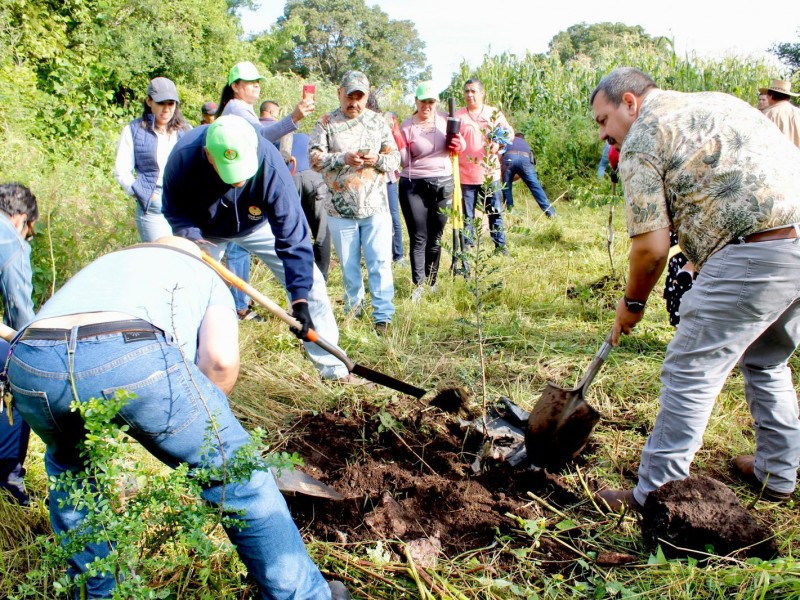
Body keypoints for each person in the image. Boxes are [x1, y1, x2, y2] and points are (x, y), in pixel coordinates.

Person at [4, 236, 349, 599]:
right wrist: (205, 435)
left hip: (31, 360)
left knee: (71, 473)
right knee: (238, 474)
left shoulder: (108, 263)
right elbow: (219, 362)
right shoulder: (204, 271)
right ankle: (305, 595)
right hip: (129, 346)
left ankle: (99, 593)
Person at [589, 67, 800, 511]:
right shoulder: (720, 100)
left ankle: (654, 494)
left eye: (603, 121)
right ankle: (778, 474)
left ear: (629, 102)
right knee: (766, 359)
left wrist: (631, 303)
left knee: (690, 370)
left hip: (755, 251)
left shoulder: (643, 136)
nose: (606, 136)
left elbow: (650, 249)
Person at [163, 115, 351, 382]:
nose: (237, 181)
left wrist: (299, 299)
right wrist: (197, 244)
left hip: (256, 224)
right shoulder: (183, 158)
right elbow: (174, 210)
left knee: (313, 285)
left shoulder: (270, 164)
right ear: (208, 155)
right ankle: (189, 373)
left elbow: (292, 235)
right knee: (190, 294)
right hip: (206, 233)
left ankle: (334, 371)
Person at [309, 71, 400, 330]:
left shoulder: (378, 122)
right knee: (349, 267)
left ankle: (383, 316)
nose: (354, 103)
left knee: (380, 262)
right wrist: (342, 158)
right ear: (340, 93)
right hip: (340, 210)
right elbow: (314, 159)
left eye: (360, 97)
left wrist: (378, 160)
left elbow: (396, 159)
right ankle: (353, 313)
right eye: (350, 97)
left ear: (367, 96)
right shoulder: (326, 122)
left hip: (376, 208)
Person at [397, 82, 465, 300]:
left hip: (443, 183)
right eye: (423, 101)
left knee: (436, 236)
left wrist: (458, 143)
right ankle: (419, 284)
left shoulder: (446, 120)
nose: (427, 106)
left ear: (436, 103)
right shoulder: (406, 126)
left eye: (431, 102)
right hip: (413, 184)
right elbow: (403, 161)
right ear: (415, 102)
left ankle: (432, 280)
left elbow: (460, 145)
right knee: (419, 237)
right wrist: (397, 144)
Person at [114, 77, 192, 242]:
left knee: (185, 259)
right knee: (160, 258)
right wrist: (143, 194)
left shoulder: (186, 130)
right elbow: (122, 171)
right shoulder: (133, 130)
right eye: (161, 103)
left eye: (170, 104)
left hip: (184, 204)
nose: (166, 109)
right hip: (154, 206)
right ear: (149, 101)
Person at [0, 182, 37, 505]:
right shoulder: (10, 240)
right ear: (20, 219)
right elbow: (21, 317)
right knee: (19, 366)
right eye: (30, 232)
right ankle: (8, 475)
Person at [456, 79, 513, 253]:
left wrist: (498, 143)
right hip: (465, 175)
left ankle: (500, 247)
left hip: (490, 174)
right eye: (467, 91)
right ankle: (467, 248)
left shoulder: (492, 113)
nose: (470, 95)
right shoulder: (458, 116)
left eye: (473, 91)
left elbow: (509, 133)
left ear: (482, 93)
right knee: (467, 215)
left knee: (494, 212)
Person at [366, 93, 405, 265]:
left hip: (386, 176)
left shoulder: (381, 121)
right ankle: (376, 255)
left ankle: (398, 255)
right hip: (367, 178)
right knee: (372, 218)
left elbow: (392, 149)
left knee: (392, 215)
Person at [290, 132, 332, 281]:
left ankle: (299, 274)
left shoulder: (279, 139)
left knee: (293, 228)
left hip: (291, 177)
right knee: (321, 228)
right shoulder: (308, 137)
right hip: (314, 177)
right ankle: (321, 277)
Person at [501, 132, 555, 217]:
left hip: (509, 157)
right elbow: (530, 164)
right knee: (535, 186)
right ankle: (550, 213)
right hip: (525, 159)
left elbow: (500, 157)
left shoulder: (508, 140)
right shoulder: (525, 145)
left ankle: (509, 212)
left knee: (506, 187)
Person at [760, 79, 800, 149]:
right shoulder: (798, 112)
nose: (766, 97)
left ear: (771, 95)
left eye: (767, 95)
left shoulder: (768, 114)